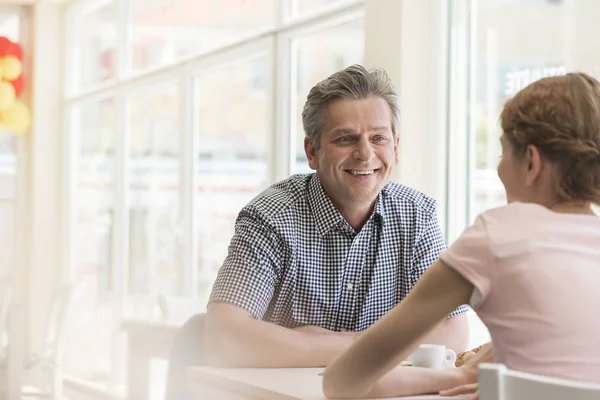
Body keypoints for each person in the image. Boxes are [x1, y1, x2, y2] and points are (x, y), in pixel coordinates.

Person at [322, 71, 600, 399]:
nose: (499, 170)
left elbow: (344, 381)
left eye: (502, 153)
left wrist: (460, 377)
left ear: (531, 162)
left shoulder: (497, 235)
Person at [203, 65, 470, 368]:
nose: (365, 154)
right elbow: (223, 338)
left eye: (379, 138)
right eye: (345, 139)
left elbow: (453, 334)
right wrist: (370, 344)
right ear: (312, 151)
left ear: (395, 148)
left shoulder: (417, 216)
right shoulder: (271, 217)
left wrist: (311, 342)